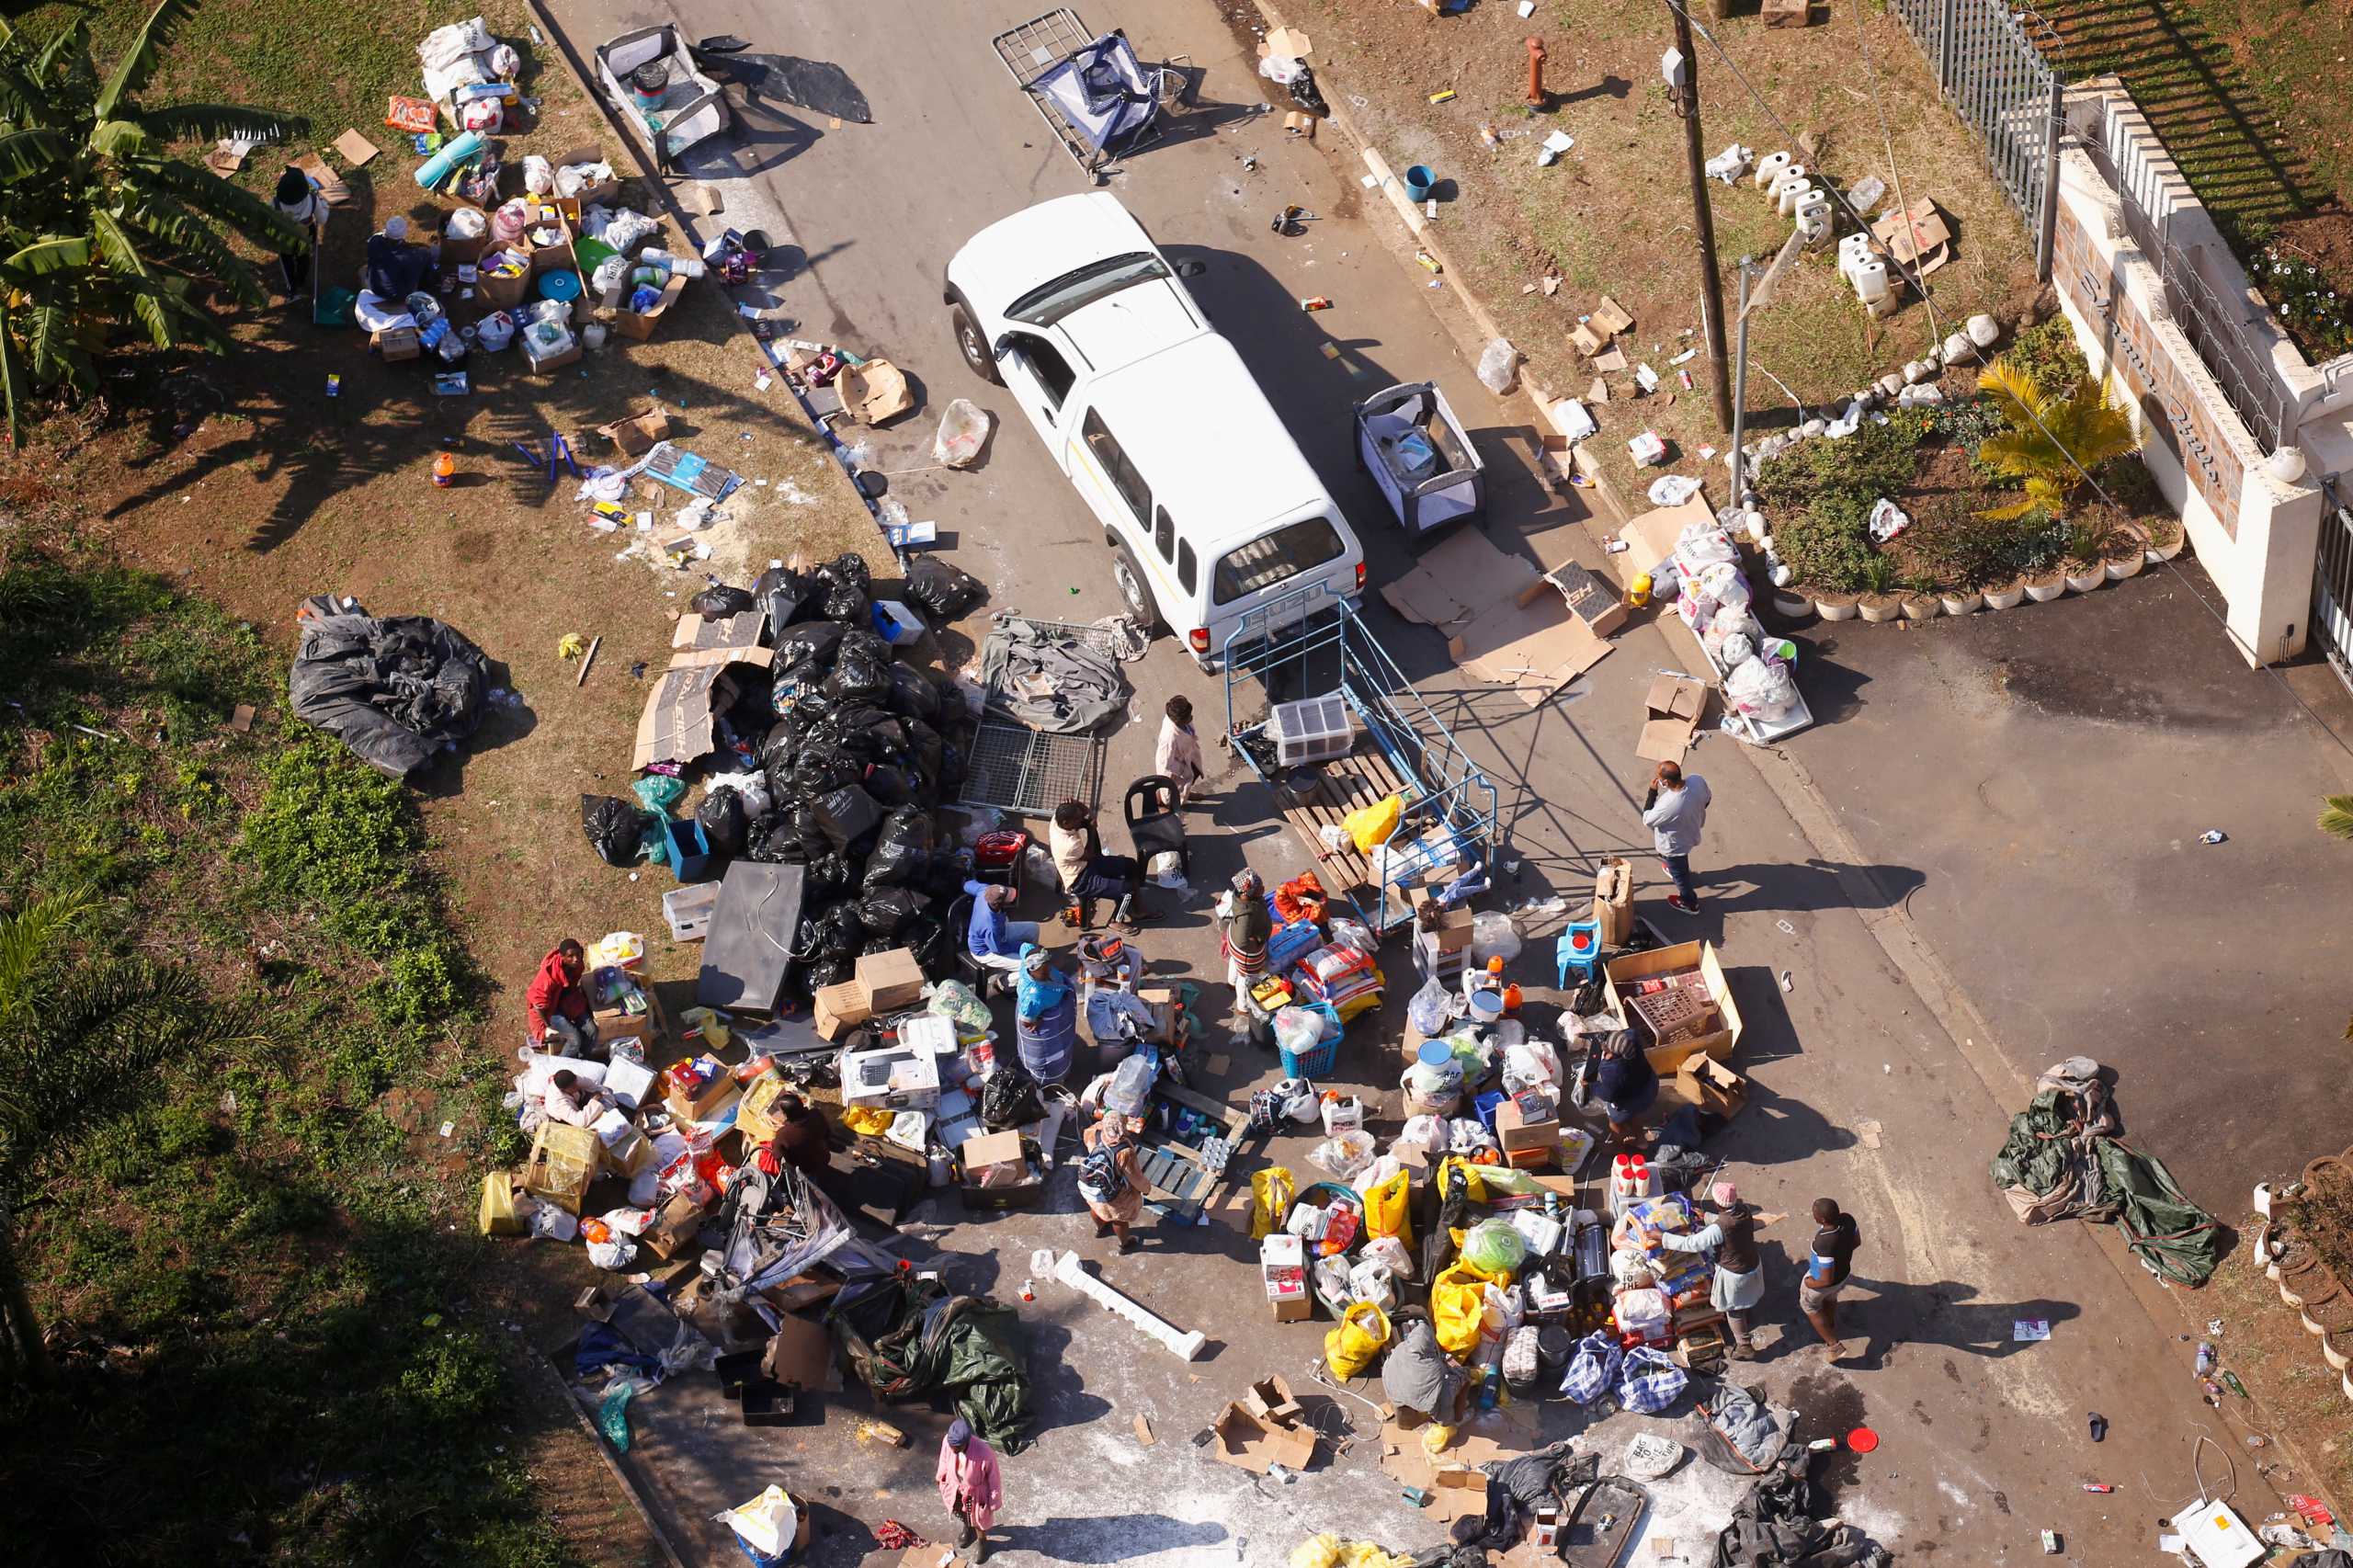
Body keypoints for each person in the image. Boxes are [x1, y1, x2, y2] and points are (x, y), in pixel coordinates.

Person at [1643, 1181, 1771, 1359]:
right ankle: (1745, 1310)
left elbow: (1691, 1243)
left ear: (1718, 1203)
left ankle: (1744, 1347)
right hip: (1751, 1263)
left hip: (1735, 1275)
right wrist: (1707, 1217)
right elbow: (1724, 1220)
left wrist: (1662, 1237)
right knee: (1744, 1298)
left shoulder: (1720, 1228)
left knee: (1733, 1311)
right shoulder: (1743, 1210)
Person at [1049, 800, 1144, 933]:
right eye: (1078, 819)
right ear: (1066, 823)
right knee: (1128, 892)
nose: (1081, 820)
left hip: (1084, 865)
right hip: (1081, 880)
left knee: (1131, 865)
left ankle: (1135, 904)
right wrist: (1092, 830)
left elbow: (1088, 815)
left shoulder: (1056, 820)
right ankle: (1115, 921)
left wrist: (1077, 804)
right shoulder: (1070, 845)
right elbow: (1091, 855)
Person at [1641, 760, 1712, 913]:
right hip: (1691, 831)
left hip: (1674, 845)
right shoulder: (1696, 780)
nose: (1657, 780)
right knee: (1677, 864)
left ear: (1665, 782)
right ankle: (1674, 869)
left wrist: (1652, 792)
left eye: (1658, 778)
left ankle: (1690, 903)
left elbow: (1647, 820)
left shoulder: (1667, 804)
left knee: (1681, 876)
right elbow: (1707, 799)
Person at [1802, 1198, 1863, 1361]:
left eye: (1814, 1214)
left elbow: (1826, 1280)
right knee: (1830, 1298)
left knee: (1809, 1306)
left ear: (1821, 1219)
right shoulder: (1848, 1219)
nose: (1813, 1216)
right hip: (1843, 1275)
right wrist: (1841, 1253)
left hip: (1823, 1282)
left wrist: (1810, 1282)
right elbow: (1857, 1242)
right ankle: (1828, 1324)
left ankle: (1834, 1345)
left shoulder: (1824, 1241)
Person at [935, 1417, 1003, 1562]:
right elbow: (944, 1459)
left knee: (979, 1519)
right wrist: (941, 1475)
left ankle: (983, 1542)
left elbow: (994, 1479)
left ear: (967, 1442)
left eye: (957, 1448)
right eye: (951, 1446)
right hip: (956, 1488)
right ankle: (968, 1528)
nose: (953, 1450)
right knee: (961, 1511)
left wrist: (994, 1500)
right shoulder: (948, 1442)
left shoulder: (985, 1453)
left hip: (976, 1494)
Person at [1079, 1113, 1147, 1253]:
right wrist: (1146, 1188)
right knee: (1119, 1219)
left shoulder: (1093, 1133)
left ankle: (1100, 1229)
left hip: (1092, 1187)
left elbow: (1089, 1140)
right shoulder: (1124, 1152)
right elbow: (1135, 1178)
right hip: (1113, 1192)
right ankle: (1124, 1244)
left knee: (1097, 1209)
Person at [526, 939, 598, 1055]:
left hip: (566, 1001)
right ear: (562, 957)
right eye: (571, 956)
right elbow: (537, 1005)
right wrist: (547, 1026)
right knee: (575, 1040)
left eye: (578, 954)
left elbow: (572, 986)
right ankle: (560, 1067)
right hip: (551, 1011)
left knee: (592, 1031)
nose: (576, 959)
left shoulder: (577, 965)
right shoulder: (548, 977)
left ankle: (583, 1060)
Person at [1593, 1029, 1658, 1151]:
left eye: (1605, 1047)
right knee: (1633, 1115)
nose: (1603, 1047)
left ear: (1611, 1054)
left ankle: (1617, 1146)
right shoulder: (1631, 1040)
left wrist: (1592, 1085)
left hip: (1631, 1101)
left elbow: (1608, 1095)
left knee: (1614, 1121)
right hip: (1649, 1086)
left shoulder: (1615, 1070)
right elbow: (1629, 1032)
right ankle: (1641, 1141)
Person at [757, 1093, 835, 1185]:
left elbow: (777, 1156)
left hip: (807, 1169)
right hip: (824, 1156)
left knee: (814, 1185)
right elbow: (827, 1133)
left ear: (786, 1115)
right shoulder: (816, 1114)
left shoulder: (783, 1134)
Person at [961, 881, 1037, 976]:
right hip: (985, 951)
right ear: (999, 905)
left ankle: (1035, 955)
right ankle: (1001, 984)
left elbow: (967, 885)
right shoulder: (991, 926)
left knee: (1034, 928)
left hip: (999, 933)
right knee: (1029, 966)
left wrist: (1031, 950)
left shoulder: (986, 891)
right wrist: (1023, 947)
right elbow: (998, 949)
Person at [1220, 869, 1272, 1002]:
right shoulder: (1246, 915)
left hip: (1235, 944)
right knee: (1246, 977)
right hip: (1246, 952)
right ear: (1251, 892)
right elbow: (1242, 941)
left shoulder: (1242, 898)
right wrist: (1257, 940)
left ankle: (1231, 983)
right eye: (1260, 887)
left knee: (1235, 962)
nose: (1263, 888)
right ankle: (1242, 1006)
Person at [272, 166, 321, 294]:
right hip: (307, 234)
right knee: (304, 259)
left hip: (285, 238)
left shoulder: (275, 204)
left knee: (287, 261)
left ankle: (292, 286)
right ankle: (301, 280)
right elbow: (322, 218)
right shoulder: (312, 200)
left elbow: (269, 220)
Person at [364, 213, 432, 300]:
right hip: (395, 295)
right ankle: (427, 286)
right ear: (403, 233)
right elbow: (411, 275)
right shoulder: (408, 256)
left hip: (373, 285)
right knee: (425, 256)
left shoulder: (374, 241)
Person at [1154, 695, 1208, 801]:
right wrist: (1182, 770)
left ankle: (1186, 794)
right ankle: (1163, 801)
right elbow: (1165, 764)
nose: (1191, 717)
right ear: (1179, 720)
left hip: (1188, 756)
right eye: (1189, 716)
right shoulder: (1169, 738)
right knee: (1173, 792)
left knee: (1193, 775)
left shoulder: (1179, 720)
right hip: (1177, 768)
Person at [1075, 931, 1143, 992]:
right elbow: (1108, 974)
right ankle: (1132, 988)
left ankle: (1136, 976)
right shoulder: (1098, 970)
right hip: (1111, 969)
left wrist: (1080, 976)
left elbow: (1100, 937)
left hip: (1114, 959)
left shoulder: (1083, 942)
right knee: (1136, 956)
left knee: (1136, 954)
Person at [541, 1067, 609, 1127]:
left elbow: (593, 1085)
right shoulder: (557, 1103)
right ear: (563, 1090)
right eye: (573, 1087)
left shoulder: (572, 1079)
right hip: (564, 1118)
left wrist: (609, 1098)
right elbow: (580, 1122)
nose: (577, 1087)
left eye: (576, 1083)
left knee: (607, 1092)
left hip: (577, 1102)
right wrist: (594, 1101)